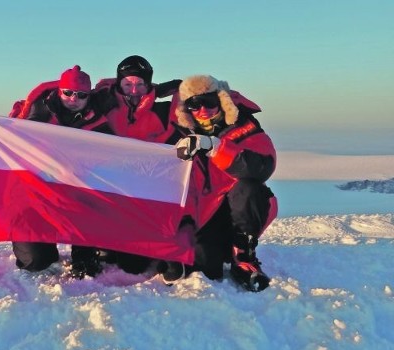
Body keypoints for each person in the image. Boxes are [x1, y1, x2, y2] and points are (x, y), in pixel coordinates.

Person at [0, 65, 114, 279]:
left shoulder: (99, 124)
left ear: (88, 97)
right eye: (68, 92)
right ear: (59, 91)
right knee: (36, 261)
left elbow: (114, 159)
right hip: (35, 194)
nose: (73, 99)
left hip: (77, 194)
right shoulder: (34, 116)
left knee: (94, 206)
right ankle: (42, 251)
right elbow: (4, 149)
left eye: (80, 95)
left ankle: (85, 254)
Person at [164, 75, 278, 291]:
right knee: (209, 268)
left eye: (209, 102)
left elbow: (263, 166)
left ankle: (244, 255)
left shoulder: (243, 125)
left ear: (221, 100)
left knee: (249, 188)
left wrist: (217, 147)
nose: (203, 110)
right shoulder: (179, 132)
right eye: (194, 105)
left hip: (238, 206)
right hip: (204, 212)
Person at [93, 55, 184, 275]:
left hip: (145, 191)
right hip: (110, 187)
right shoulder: (104, 104)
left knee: (134, 266)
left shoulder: (160, 112)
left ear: (149, 84)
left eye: (140, 84)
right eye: (128, 84)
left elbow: (190, 98)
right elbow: (69, 93)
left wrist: (171, 89)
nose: (134, 90)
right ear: (118, 83)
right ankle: (100, 244)